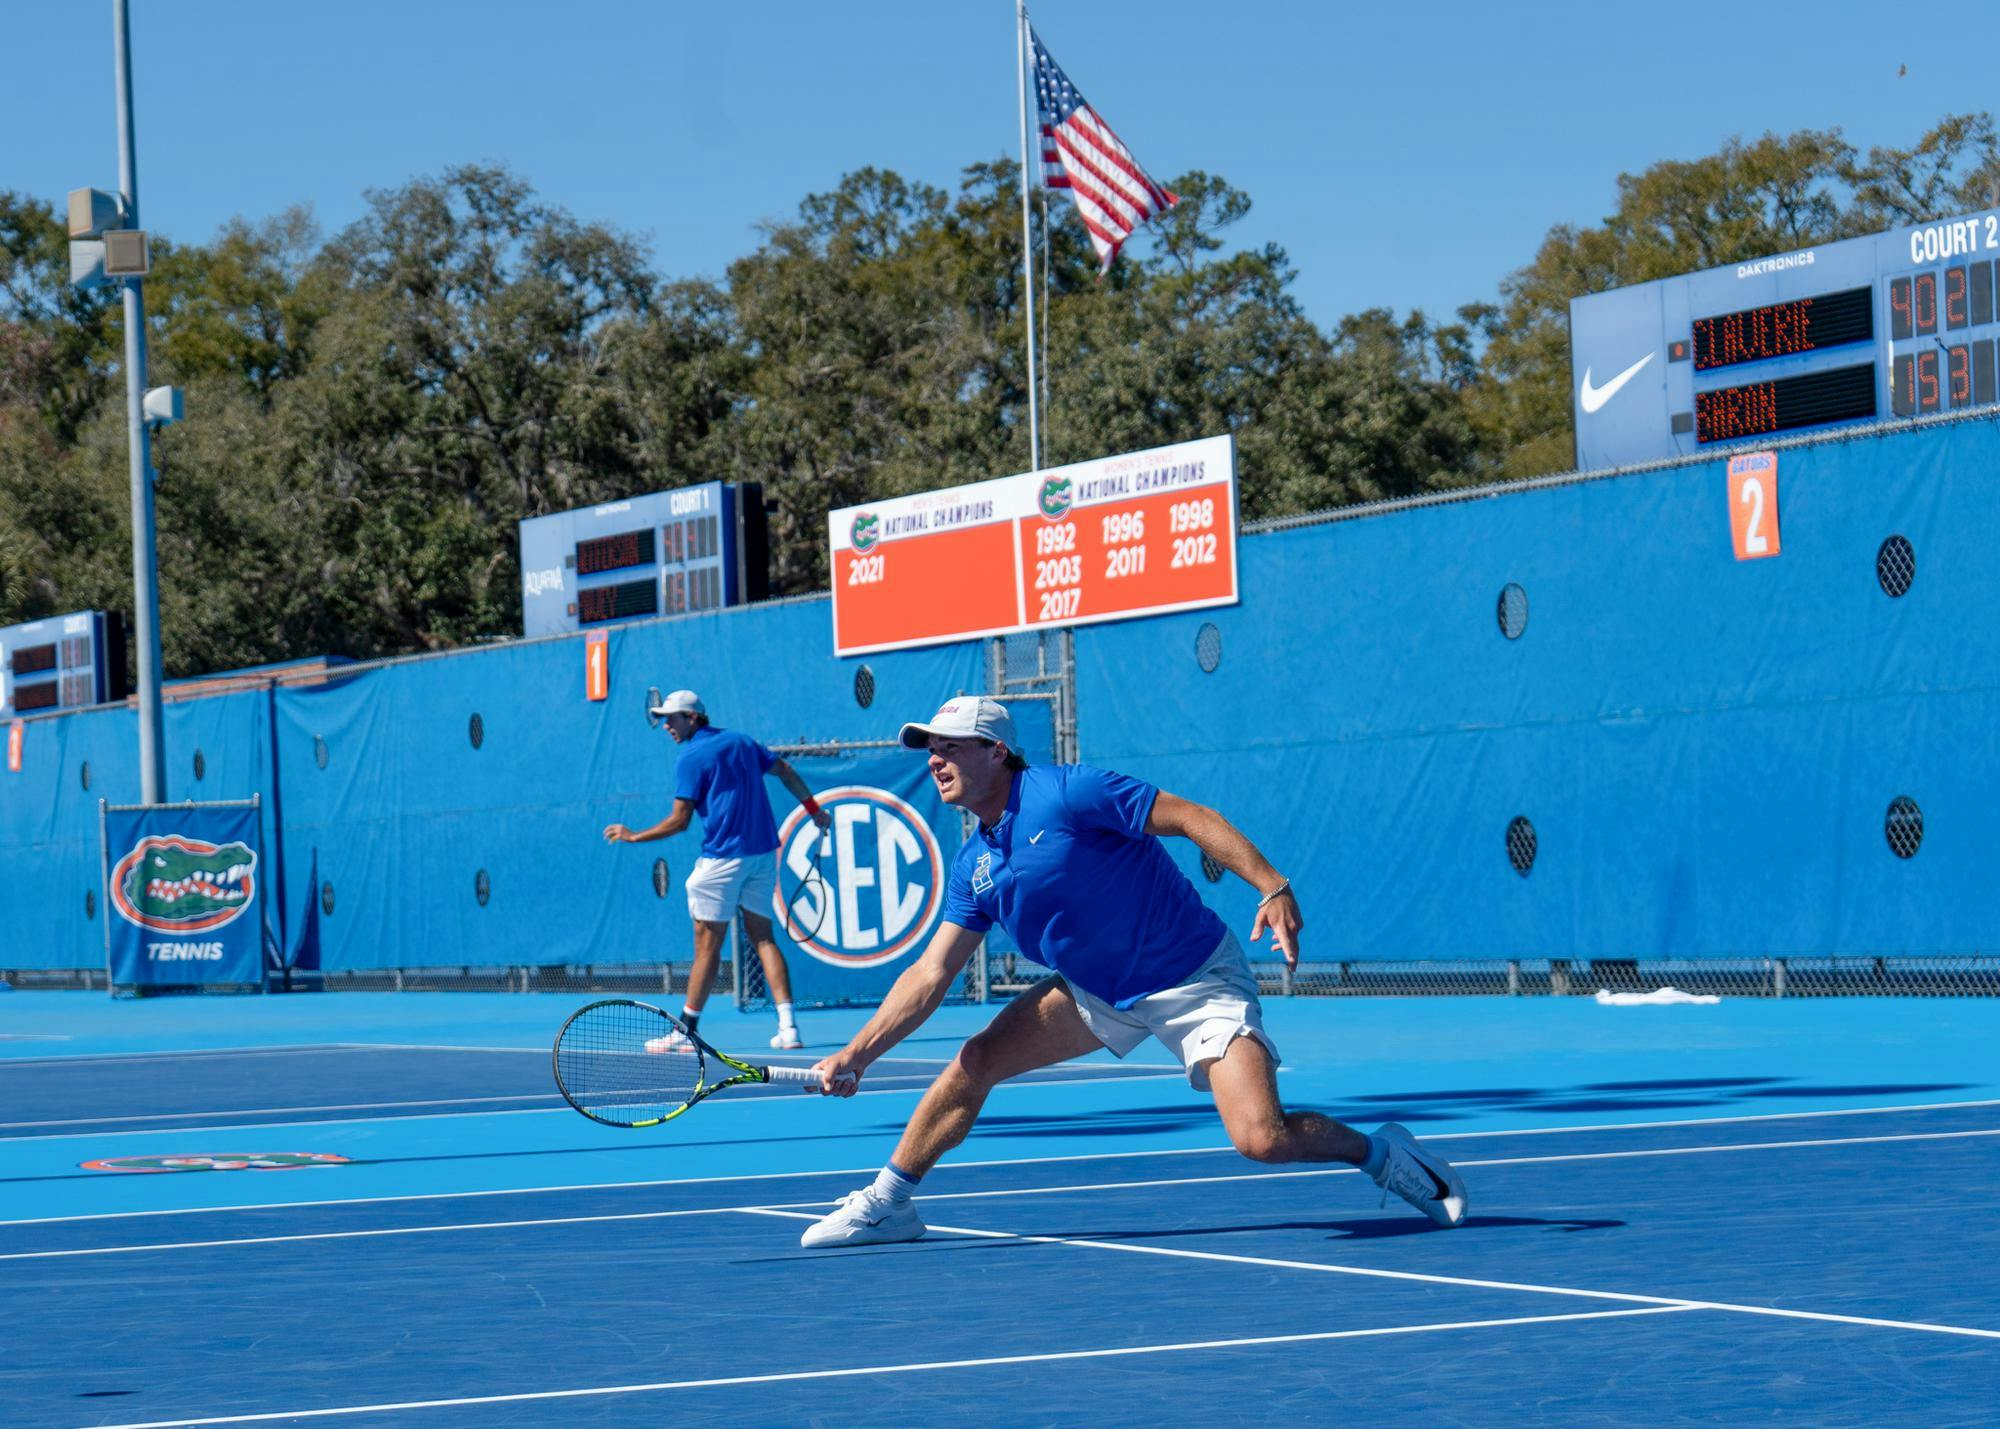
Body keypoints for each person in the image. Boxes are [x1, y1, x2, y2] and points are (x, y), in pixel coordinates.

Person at [799, 696, 1467, 1247]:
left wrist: (1272, 884)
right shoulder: (976, 863)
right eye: (929, 748)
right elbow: (930, 974)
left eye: (949, 745)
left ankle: (1380, 1154)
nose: (934, 758)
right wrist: (859, 1052)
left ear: (997, 750)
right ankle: (889, 1203)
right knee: (976, 1060)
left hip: (1194, 975)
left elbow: (1191, 817)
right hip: (1098, 991)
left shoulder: (1068, 792)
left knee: (1262, 1136)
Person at [603, 689, 832, 1051]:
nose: (666, 726)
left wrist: (634, 836)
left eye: (672, 718)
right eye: (662, 719)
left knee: (707, 947)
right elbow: (785, 770)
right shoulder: (742, 741)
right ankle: (789, 1028)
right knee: (763, 937)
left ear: (693, 718)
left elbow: (679, 822)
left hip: (723, 859)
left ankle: (684, 1032)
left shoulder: (691, 757)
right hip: (761, 854)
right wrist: (813, 809)